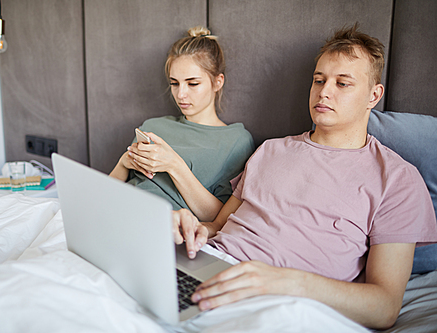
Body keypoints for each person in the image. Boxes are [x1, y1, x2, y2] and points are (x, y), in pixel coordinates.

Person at [172, 23, 437, 330]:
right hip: (210, 272)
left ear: (373, 95)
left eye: (343, 83)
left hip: (287, 304)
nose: (324, 91)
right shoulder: (270, 151)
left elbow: (384, 307)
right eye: (319, 80)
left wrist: (283, 281)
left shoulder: (397, 180)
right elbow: (217, 226)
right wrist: (193, 230)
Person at [109, 26, 254, 222]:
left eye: (192, 83)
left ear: (218, 82)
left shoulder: (236, 140)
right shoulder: (153, 126)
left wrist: (174, 165)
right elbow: (105, 195)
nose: (180, 95)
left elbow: (219, 219)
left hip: (162, 224)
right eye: (174, 83)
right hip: (118, 211)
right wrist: (123, 163)